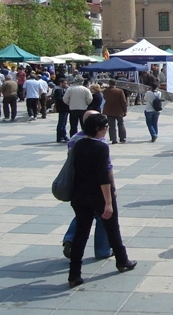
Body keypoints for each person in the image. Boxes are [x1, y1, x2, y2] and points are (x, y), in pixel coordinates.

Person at [67, 114, 137, 288]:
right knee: (112, 229)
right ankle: (122, 260)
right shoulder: (101, 147)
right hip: (98, 195)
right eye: (105, 126)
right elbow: (103, 177)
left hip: (80, 195)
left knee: (81, 234)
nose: (107, 129)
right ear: (98, 129)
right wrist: (108, 202)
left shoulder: (78, 143)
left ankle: (74, 274)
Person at [62, 110, 112, 261]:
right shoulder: (100, 143)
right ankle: (103, 250)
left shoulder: (74, 140)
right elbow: (106, 170)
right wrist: (111, 195)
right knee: (103, 216)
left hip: (78, 186)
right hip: (97, 188)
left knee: (83, 215)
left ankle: (70, 239)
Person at [102, 79, 128, 144]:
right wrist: (125, 110)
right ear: (115, 84)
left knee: (111, 126)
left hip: (109, 110)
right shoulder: (119, 91)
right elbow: (124, 101)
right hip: (119, 110)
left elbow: (105, 98)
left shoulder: (105, 91)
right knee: (121, 124)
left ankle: (113, 139)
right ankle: (122, 138)